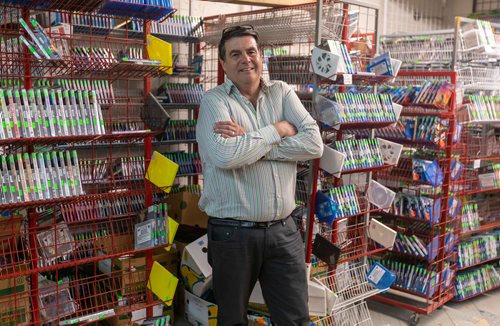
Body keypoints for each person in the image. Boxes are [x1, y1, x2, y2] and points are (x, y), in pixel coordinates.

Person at [196, 25, 323, 326]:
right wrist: (277, 130)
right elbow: (226, 156)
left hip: (284, 232)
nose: (246, 60)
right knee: (232, 320)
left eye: (251, 51)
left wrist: (252, 141)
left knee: (296, 319)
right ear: (224, 64)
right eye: (235, 54)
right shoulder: (214, 102)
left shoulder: (282, 93)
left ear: (261, 57)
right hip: (232, 235)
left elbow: (313, 144)